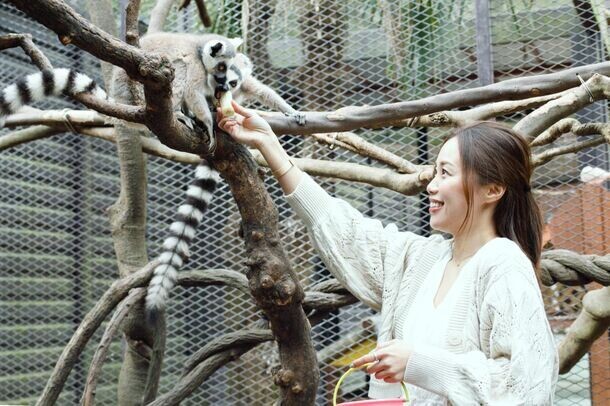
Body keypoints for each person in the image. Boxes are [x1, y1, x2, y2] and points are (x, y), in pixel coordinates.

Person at [218, 101, 559, 405]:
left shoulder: (503, 263)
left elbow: (524, 388)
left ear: (493, 189)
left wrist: (417, 363)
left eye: (446, 173)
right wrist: (270, 147)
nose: (431, 185)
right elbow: (347, 231)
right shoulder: (422, 259)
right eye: (435, 171)